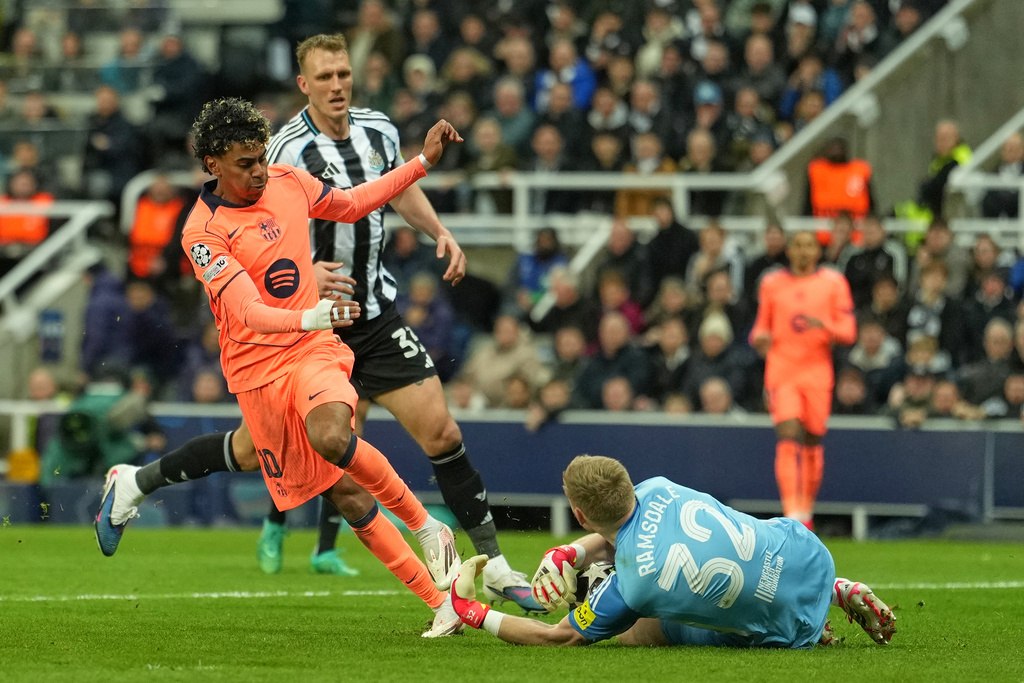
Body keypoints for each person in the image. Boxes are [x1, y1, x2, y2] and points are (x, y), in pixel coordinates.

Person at [113, 34, 540, 613]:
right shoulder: (256, 175)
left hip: (361, 316)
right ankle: (148, 485)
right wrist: (304, 284)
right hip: (284, 339)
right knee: (293, 459)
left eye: (344, 73)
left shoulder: (363, 137)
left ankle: (480, 563)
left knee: (427, 435)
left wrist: (429, 193)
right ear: (303, 85)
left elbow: (362, 200)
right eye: (325, 76)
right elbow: (251, 297)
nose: (337, 84)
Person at [95, 96, 465, 637]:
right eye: (245, 164)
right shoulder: (201, 231)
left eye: (262, 158)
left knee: (332, 436)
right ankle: (440, 602)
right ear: (213, 164)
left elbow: (352, 203)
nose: (259, 171)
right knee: (339, 490)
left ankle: (427, 527)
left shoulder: (289, 181)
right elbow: (247, 311)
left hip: (311, 349)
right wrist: (310, 313)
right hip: (257, 370)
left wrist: (422, 162)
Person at [449, 455, 896, 648]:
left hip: (786, 627)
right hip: (807, 552)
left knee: (641, 629)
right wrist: (569, 553)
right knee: (751, 545)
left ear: (580, 516)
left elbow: (558, 636)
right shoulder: (659, 486)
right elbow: (620, 531)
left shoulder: (633, 587)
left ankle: (810, 624)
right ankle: (833, 589)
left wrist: (472, 611)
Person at [750, 230, 857, 529]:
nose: (803, 251)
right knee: (787, 435)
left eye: (809, 245)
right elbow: (760, 327)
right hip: (782, 369)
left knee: (812, 440)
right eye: (797, 245)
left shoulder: (833, 282)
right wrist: (760, 338)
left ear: (818, 251)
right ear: (789, 250)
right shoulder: (772, 283)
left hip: (817, 371)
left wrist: (825, 326)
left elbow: (849, 331)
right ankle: (791, 513)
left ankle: (806, 512)